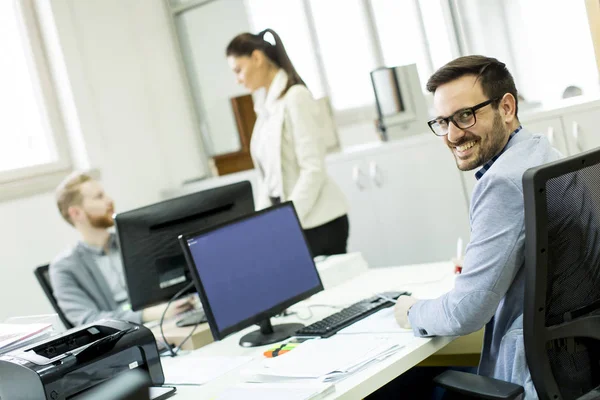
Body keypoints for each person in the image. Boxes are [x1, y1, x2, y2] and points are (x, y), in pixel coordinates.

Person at [392, 55, 562, 398]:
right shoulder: (539, 152)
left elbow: (464, 313)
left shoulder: (503, 183)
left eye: (465, 116)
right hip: (566, 365)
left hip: (525, 379)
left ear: (507, 107)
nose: (453, 135)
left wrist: (412, 311)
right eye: (442, 121)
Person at [225, 29, 349, 257]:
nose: (238, 79)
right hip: (291, 223)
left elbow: (313, 168)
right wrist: (262, 225)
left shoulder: (296, 96)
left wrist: (286, 221)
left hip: (319, 223)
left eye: (238, 70)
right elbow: (267, 179)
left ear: (257, 58)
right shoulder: (264, 107)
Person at [50, 172, 193, 327]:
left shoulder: (135, 242)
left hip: (172, 318)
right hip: (130, 335)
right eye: (99, 197)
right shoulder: (64, 268)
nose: (110, 200)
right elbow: (88, 321)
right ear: (76, 213)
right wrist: (148, 314)